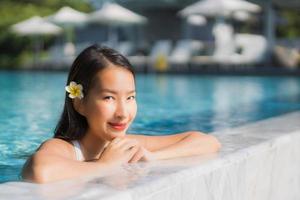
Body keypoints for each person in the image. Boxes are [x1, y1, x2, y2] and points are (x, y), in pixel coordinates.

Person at [22, 44, 221, 183]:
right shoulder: (65, 148)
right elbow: (40, 171)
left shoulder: (126, 145)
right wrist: (104, 165)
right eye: (109, 98)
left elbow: (207, 141)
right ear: (80, 104)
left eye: (130, 98)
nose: (123, 113)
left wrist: (153, 156)